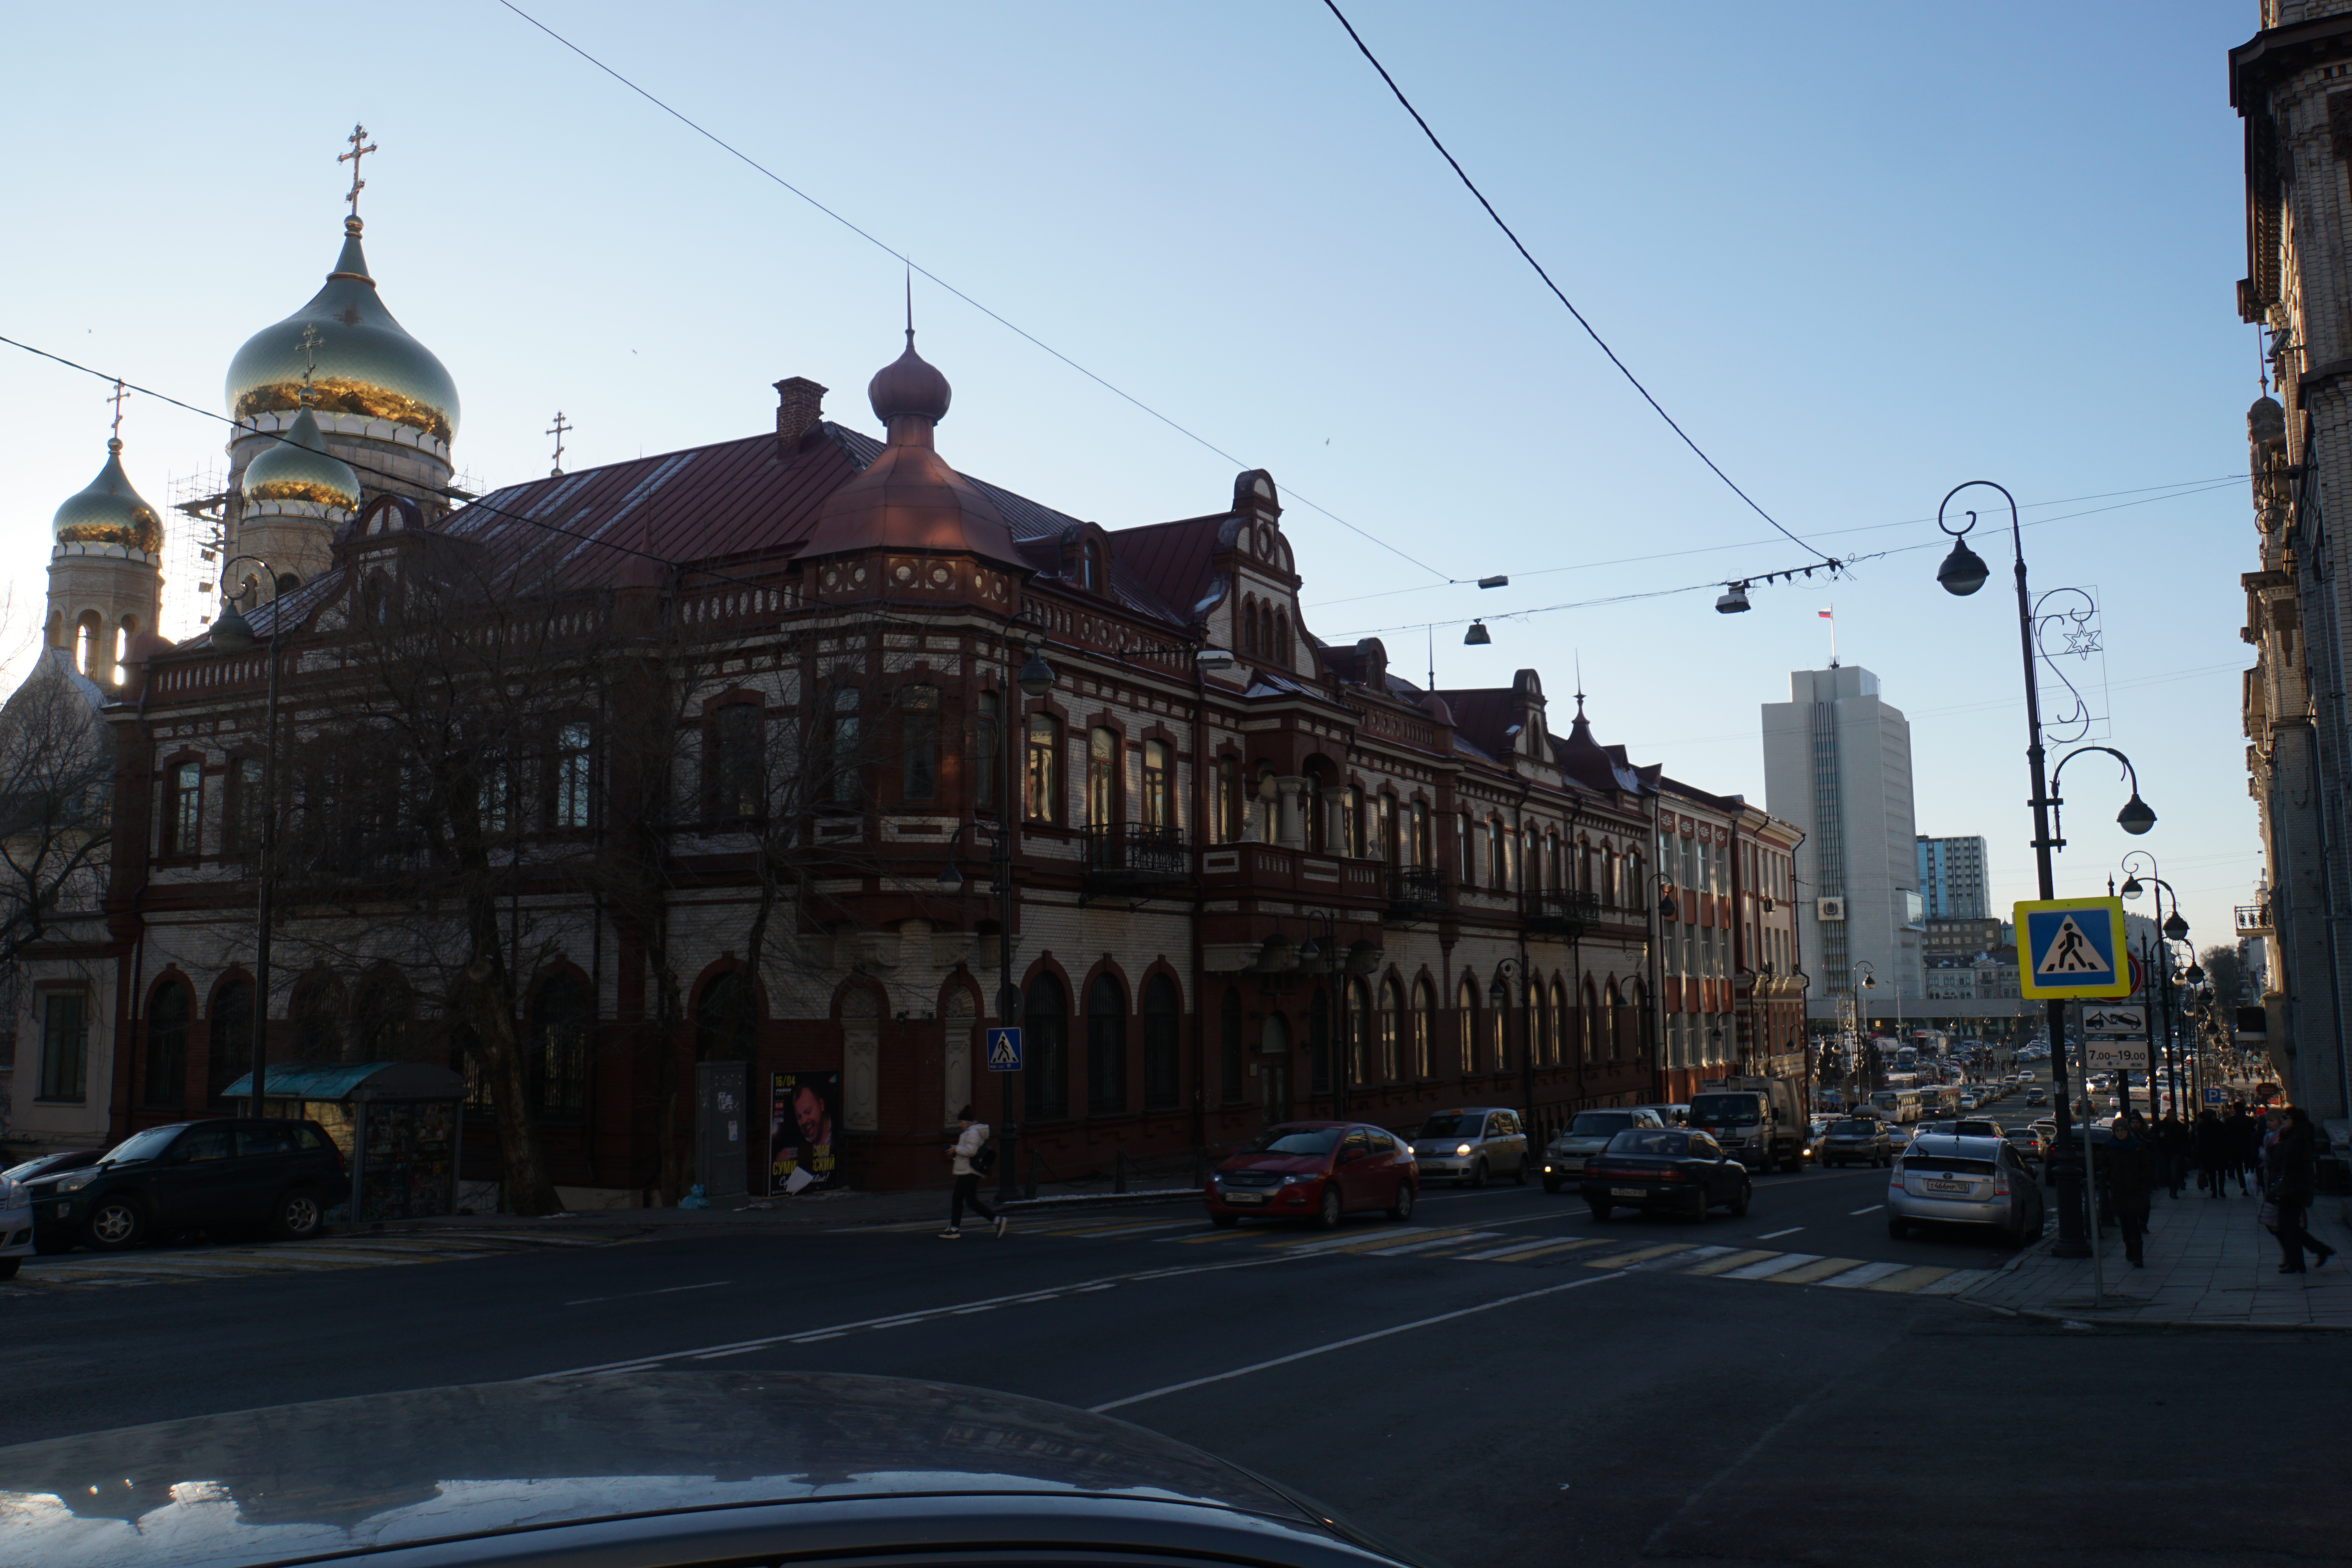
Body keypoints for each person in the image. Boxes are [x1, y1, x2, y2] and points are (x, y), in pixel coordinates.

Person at [2271, 1105, 2336, 1274]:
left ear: (2294, 1121)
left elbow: (2286, 1161)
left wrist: (2277, 1146)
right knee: (2288, 1225)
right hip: (2294, 1186)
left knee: (2288, 1225)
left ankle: (2304, 1258)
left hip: (2294, 1187)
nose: (2283, 1122)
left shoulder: (2297, 1138)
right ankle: (2309, 1255)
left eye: (2286, 1118)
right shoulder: (2295, 1135)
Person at [941, 1105, 1007, 1240]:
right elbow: (968, 1150)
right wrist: (955, 1149)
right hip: (967, 1170)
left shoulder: (973, 1133)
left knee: (971, 1201)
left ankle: (997, 1220)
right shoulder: (970, 1132)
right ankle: (954, 1229)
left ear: (967, 1122)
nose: (959, 1125)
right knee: (958, 1199)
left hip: (970, 1172)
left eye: (961, 1122)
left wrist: (956, 1149)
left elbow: (971, 1151)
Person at [2103, 1113, 2154, 1267]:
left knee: (2133, 1222)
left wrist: (2141, 1180)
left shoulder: (2137, 1147)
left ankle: (2138, 1255)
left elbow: (2147, 1167)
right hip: (2118, 1190)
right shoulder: (2109, 1147)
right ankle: (2129, 1248)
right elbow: (2104, 1165)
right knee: (2124, 1223)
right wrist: (2109, 1176)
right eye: (2117, 1131)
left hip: (2135, 1190)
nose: (2120, 1133)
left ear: (2128, 1131)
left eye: (2123, 1131)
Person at [2193, 1108, 2229, 1198]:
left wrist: (2199, 1154)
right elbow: (2226, 1139)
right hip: (2220, 1152)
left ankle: (2214, 1191)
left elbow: (2199, 1141)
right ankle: (2221, 1191)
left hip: (2208, 1153)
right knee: (2221, 1173)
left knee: (2211, 1173)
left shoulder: (2202, 1126)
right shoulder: (2220, 1125)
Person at [2157, 1111, 2190, 1199]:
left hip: (2176, 1153)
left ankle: (2173, 1191)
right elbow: (2151, 1135)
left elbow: (2186, 1142)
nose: (2174, 1117)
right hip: (2164, 1153)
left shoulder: (2181, 1127)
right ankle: (2175, 1185)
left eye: (2175, 1115)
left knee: (2174, 1171)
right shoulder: (2160, 1125)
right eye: (2172, 1115)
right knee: (2167, 1173)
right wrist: (2159, 1136)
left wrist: (2187, 1155)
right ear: (2167, 1116)